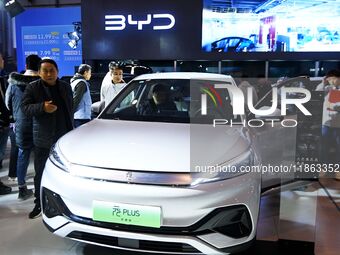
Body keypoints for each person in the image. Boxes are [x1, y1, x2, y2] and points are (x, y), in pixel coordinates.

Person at [21, 58, 73, 218]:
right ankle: (39, 203)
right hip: (43, 138)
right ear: (39, 72)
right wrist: (42, 107)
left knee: (65, 172)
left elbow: (70, 107)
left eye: (52, 70)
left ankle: (66, 203)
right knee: (41, 173)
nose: (49, 74)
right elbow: (24, 108)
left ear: (57, 71)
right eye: (45, 71)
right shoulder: (33, 88)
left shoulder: (65, 86)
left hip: (64, 138)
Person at [6, 54, 41, 200]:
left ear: (26, 66)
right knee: (40, 158)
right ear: (39, 67)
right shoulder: (41, 83)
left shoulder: (13, 84)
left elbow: (8, 103)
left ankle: (22, 190)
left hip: (21, 124)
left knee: (23, 155)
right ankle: (38, 189)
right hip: (40, 125)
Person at [320, 69, 340, 180]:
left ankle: (338, 170)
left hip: (338, 124)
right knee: (324, 146)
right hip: (326, 123)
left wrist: (336, 107)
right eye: (329, 79)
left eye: (333, 78)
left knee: (339, 148)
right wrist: (323, 83)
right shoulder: (327, 89)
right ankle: (324, 168)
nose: (331, 81)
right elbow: (317, 91)